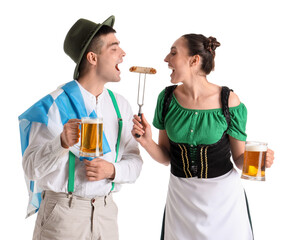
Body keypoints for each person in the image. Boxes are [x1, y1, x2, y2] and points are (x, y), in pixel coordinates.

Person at [132, 33, 274, 240]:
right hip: (181, 199)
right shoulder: (166, 99)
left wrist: (261, 160)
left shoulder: (229, 101)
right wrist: (146, 142)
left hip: (224, 202)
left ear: (194, 60)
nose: (166, 59)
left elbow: (240, 160)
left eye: (173, 53)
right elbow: (165, 157)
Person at [19, 15, 143, 240]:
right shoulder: (54, 105)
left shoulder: (120, 106)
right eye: (114, 48)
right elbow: (30, 169)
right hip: (63, 216)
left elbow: (135, 162)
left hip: (106, 214)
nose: (123, 54)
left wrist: (112, 170)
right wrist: (61, 144)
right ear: (93, 57)